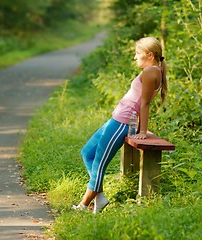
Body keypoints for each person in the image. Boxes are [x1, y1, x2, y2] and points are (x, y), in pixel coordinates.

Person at [72, 36, 168, 214]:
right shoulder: (152, 70)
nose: (135, 57)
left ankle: (84, 206)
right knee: (87, 153)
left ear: (150, 54)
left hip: (122, 123)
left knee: (99, 164)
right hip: (115, 120)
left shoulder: (151, 72)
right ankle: (100, 198)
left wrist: (143, 131)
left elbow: (145, 103)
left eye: (137, 53)